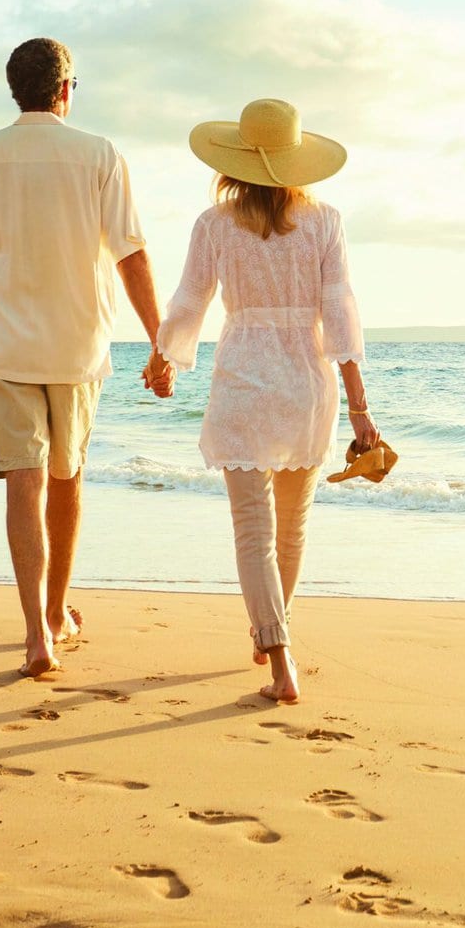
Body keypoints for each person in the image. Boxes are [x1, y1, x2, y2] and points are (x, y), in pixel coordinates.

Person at [0, 37, 177, 678]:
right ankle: (59, 612)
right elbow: (131, 254)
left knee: (23, 481)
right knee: (66, 478)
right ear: (67, 89)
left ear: (16, 91)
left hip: (3, 343)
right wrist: (159, 340)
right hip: (77, 344)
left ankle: (36, 632)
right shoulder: (99, 154)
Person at [151, 98, 376, 704]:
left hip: (244, 378)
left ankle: (277, 654)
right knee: (292, 529)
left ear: (234, 161)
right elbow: (340, 311)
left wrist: (164, 356)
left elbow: (190, 301)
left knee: (254, 530)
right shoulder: (324, 220)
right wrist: (359, 406)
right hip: (307, 382)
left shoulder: (214, 224)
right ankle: (273, 630)